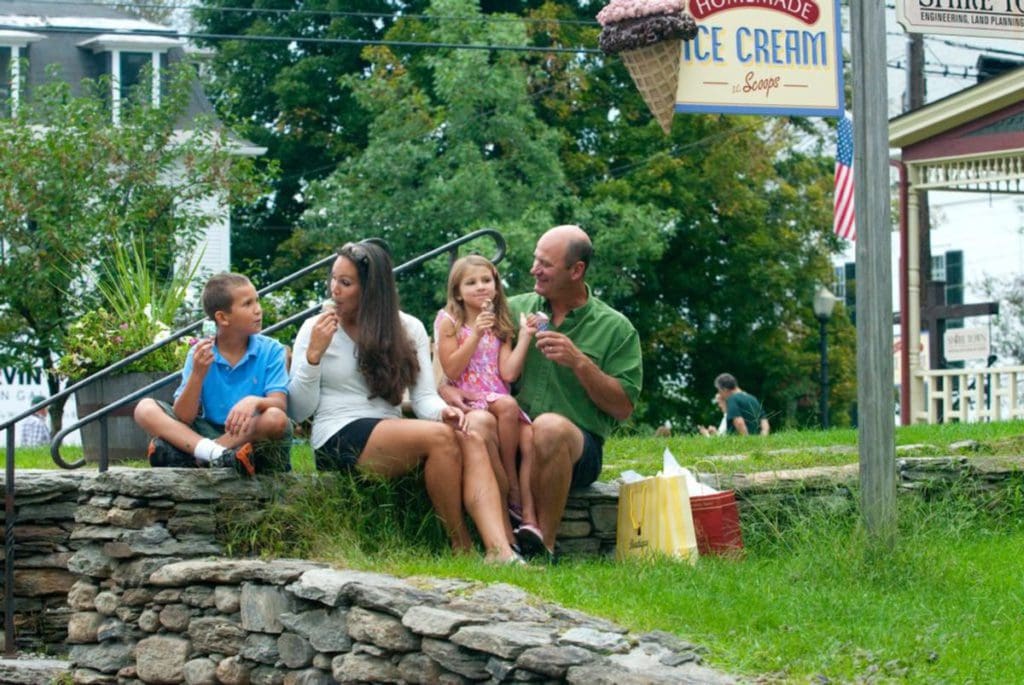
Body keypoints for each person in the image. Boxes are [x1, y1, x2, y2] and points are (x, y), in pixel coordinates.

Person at [288, 242, 522, 564]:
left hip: (390, 429)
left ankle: (499, 550)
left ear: (372, 289)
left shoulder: (408, 327)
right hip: (336, 434)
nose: (334, 290)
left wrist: (445, 412)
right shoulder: (314, 330)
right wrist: (313, 357)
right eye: (333, 279)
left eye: (346, 283)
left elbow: (424, 397)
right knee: (440, 437)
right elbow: (298, 410)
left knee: (468, 433)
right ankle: (461, 547)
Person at [443, 225, 643, 562]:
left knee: (548, 426)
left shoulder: (616, 328)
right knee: (477, 424)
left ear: (576, 270)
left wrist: (579, 362)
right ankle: (494, 543)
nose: (534, 269)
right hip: (512, 439)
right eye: (536, 260)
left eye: (545, 264)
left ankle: (542, 548)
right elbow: (454, 340)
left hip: (574, 451)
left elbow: (623, 407)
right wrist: (445, 390)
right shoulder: (514, 309)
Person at [134, 273, 292, 476]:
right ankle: (218, 455)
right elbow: (183, 416)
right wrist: (198, 375)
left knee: (276, 418)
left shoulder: (272, 350)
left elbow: (279, 403)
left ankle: (201, 454)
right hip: (208, 429)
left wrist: (254, 401)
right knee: (144, 408)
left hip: (252, 434)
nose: (258, 310)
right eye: (247, 304)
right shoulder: (200, 353)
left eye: (257, 300)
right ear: (222, 317)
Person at [434, 255, 537, 531]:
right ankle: (510, 484)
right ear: (457, 291)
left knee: (529, 438)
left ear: (496, 285)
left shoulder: (500, 322)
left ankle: (529, 519)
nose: (481, 287)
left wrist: (525, 337)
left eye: (486, 280)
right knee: (507, 405)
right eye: (471, 283)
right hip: (470, 397)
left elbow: (509, 374)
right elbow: (452, 370)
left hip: (498, 397)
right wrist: (476, 335)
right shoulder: (449, 322)